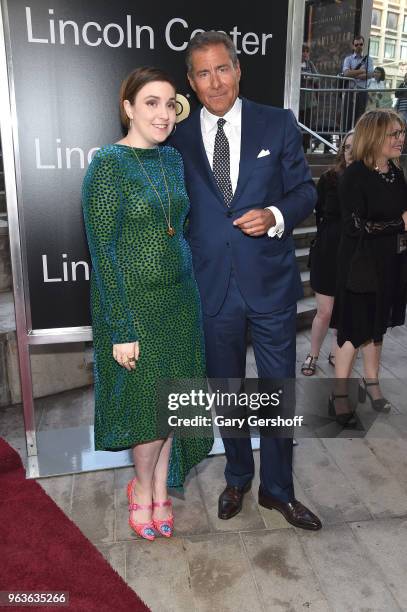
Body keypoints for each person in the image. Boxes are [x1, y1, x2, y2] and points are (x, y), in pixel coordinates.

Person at [171, 31, 322, 530]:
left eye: (222, 69)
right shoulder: (177, 136)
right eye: (203, 73)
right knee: (228, 390)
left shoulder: (276, 123)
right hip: (212, 288)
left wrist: (276, 213)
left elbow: (304, 191)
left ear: (238, 69)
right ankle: (238, 475)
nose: (215, 81)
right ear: (191, 83)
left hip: (270, 283)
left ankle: (278, 490)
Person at [82, 67, 213, 541]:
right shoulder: (107, 165)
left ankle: (160, 485)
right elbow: (103, 252)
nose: (162, 114)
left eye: (168, 105)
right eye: (151, 103)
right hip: (134, 306)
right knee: (147, 410)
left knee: (174, 401)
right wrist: (120, 328)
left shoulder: (173, 161)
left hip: (181, 299)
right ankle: (140, 487)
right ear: (129, 108)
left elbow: (179, 226)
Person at [330, 109, 407, 417]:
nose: (401, 139)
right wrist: (399, 224)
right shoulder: (354, 176)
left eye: (401, 133)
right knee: (353, 330)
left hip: (391, 262)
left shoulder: (396, 173)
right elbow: (354, 226)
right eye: (394, 133)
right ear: (374, 136)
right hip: (359, 266)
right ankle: (338, 394)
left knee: (378, 328)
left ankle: (372, 383)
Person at [301, 130, 354, 376]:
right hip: (327, 249)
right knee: (325, 311)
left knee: (344, 311)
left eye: (356, 146)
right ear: (342, 149)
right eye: (347, 147)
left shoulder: (367, 180)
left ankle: (335, 352)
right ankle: (312, 354)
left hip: (354, 254)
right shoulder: (329, 178)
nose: (350, 151)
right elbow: (319, 211)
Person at [342, 35, 374, 125]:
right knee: (347, 118)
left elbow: (370, 74)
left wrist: (354, 74)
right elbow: (346, 73)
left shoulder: (369, 60)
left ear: (363, 45)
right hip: (350, 91)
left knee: (360, 118)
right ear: (353, 46)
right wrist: (361, 71)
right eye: (356, 45)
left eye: (361, 44)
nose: (359, 46)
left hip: (362, 91)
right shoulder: (348, 59)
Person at [299, 44, 319, 152]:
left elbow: (317, 77)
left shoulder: (310, 64)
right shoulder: (295, 63)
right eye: (303, 51)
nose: (305, 53)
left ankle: (305, 148)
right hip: (298, 100)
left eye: (307, 51)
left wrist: (309, 77)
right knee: (298, 124)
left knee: (307, 124)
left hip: (309, 101)